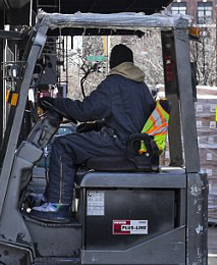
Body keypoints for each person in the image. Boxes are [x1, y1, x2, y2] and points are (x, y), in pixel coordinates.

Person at [29, 44, 154, 222]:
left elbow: (85, 111)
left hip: (118, 144)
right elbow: (126, 118)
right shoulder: (141, 86)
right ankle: (50, 196)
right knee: (76, 141)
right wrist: (94, 127)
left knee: (62, 146)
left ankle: (57, 205)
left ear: (113, 62)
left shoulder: (114, 84)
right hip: (131, 146)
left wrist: (55, 103)